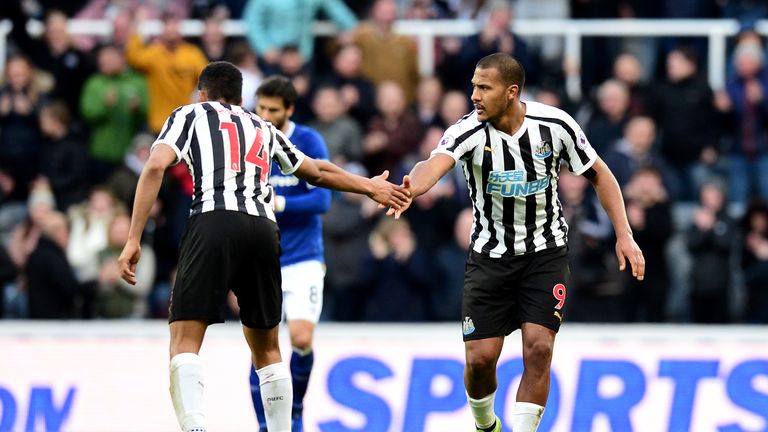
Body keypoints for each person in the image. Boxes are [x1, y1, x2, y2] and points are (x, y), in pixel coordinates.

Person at [117, 61, 408, 432]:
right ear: (242, 98)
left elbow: (156, 166)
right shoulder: (261, 125)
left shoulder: (189, 113)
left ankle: (194, 427)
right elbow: (315, 171)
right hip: (262, 227)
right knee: (267, 348)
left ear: (203, 94)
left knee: (185, 341)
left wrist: (133, 238)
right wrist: (370, 186)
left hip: (213, 219)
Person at [388, 53, 644, 432]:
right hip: (490, 257)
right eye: (473, 85)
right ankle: (484, 425)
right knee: (479, 361)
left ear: (511, 92)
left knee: (539, 348)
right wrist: (414, 187)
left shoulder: (555, 125)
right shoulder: (466, 131)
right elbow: (435, 163)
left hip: (545, 253)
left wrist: (624, 233)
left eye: (483, 87)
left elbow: (600, 174)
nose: (474, 95)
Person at [248, 75, 331, 431]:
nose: (264, 116)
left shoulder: (308, 140)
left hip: (303, 257)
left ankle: (295, 407)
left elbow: (322, 198)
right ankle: (266, 425)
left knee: (300, 339)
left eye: (273, 110)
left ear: (290, 110)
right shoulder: (247, 139)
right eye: (260, 107)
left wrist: (279, 201)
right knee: (261, 350)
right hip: (261, 259)